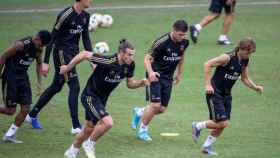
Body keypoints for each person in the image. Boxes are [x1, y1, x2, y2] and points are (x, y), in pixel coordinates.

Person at [62, 39, 149, 158]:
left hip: (101, 100)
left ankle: (71, 152)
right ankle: (89, 144)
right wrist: (67, 68)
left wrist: (140, 83)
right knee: (108, 122)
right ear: (121, 52)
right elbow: (84, 54)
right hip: (89, 96)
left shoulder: (130, 66)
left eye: (133, 55)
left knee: (88, 129)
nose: (131, 57)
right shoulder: (108, 61)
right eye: (129, 54)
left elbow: (130, 84)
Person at [25, 0, 93, 134]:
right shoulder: (65, 15)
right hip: (61, 53)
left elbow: (85, 38)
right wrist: (45, 62)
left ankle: (32, 114)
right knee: (75, 85)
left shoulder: (86, 16)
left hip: (73, 54)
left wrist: (92, 58)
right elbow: (51, 39)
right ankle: (76, 126)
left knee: (56, 86)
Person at [191, 38, 263, 155]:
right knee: (222, 122)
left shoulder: (245, 60)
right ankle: (197, 125)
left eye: (250, 53)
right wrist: (208, 85)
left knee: (223, 124)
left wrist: (255, 87)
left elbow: (244, 78)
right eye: (248, 52)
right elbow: (207, 64)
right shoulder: (227, 58)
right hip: (214, 93)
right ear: (241, 49)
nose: (249, 55)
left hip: (226, 94)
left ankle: (206, 147)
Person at [131, 20, 189, 141]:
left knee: (162, 108)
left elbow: (181, 57)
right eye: (179, 34)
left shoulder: (184, 42)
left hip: (168, 77)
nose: (182, 37)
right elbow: (147, 59)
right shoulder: (161, 42)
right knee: (155, 105)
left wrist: (179, 73)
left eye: (184, 35)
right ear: (173, 30)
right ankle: (142, 130)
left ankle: (140, 112)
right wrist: (151, 73)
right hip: (155, 74)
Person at [0, 30, 51, 143]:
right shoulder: (20, 45)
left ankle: (9, 135)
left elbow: (38, 63)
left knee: (26, 109)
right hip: (10, 78)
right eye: (41, 44)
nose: (41, 47)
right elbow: (3, 56)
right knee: (10, 111)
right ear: (37, 38)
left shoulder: (39, 48)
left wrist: (39, 82)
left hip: (23, 79)